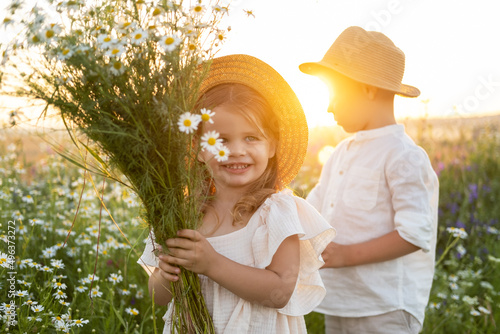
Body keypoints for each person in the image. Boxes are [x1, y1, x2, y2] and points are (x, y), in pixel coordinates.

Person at [138, 54, 336, 333]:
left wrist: (211, 264)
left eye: (251, 137)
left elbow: (280, 292)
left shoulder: (275, 211)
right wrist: (168, 276)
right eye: (219, 140)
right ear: (196, 148)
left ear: (272, 146)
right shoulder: (183, 215)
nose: (236, 151)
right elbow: (157, 297)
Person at [299, 26, 439, 334]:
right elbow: (310, 213)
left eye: (335, 93)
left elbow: (415, 234)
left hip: (386, 307)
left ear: (368, 89)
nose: (329, 106)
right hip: (342, 302)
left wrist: (346, 255)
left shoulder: (403, 156)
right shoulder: (340, 153)